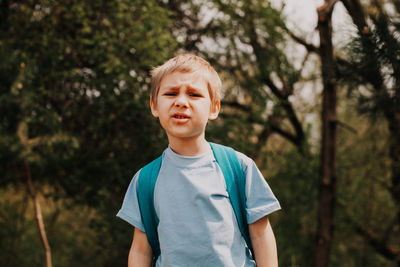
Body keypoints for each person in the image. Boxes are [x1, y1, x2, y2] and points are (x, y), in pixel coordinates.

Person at [117, 54, 281, 267]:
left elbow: (261, 235)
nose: (181, 102)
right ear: (154, 105)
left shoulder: (238, 167)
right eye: (171, 93)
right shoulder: (145, 180)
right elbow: (140, 250)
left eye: (194, 95)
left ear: (214, 108)